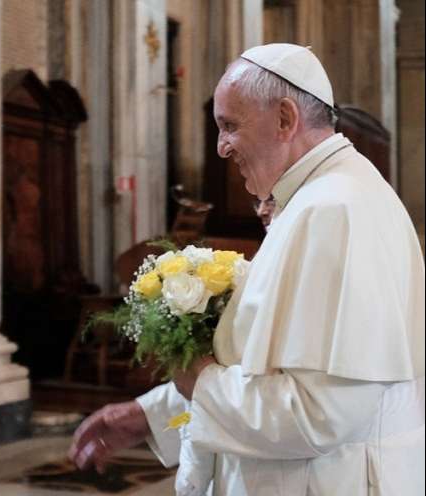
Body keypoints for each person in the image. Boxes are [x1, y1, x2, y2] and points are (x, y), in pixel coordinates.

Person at [69, 43, 425, 495]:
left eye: (229, 126)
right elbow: (264, 364)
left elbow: (318, 414)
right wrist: (154, 413)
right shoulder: (318, 200)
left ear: (284, 119)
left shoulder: (336, 209)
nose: (220, 148)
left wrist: (198, 382)